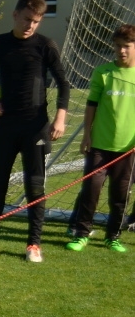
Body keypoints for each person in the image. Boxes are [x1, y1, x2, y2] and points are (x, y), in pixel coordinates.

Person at [0, 0, 69, 262]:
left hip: (36, 127)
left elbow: (63, 83)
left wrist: (60, 118)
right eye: (27, 19)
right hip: (5, 125)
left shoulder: (46, 45)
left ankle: (33, 244)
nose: (31, 25)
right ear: (15, 15)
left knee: (35, 185)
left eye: (37, 21)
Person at [64, 24, 135, 253]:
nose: (121, 51)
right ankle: (82, 234)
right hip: (99, 145)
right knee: (91, 190)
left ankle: (112, 236)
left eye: (127, 46)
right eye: (117, 46)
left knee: (120, 195)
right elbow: (91, 105)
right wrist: (86, 135)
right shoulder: (103, 72)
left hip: (128, 149)